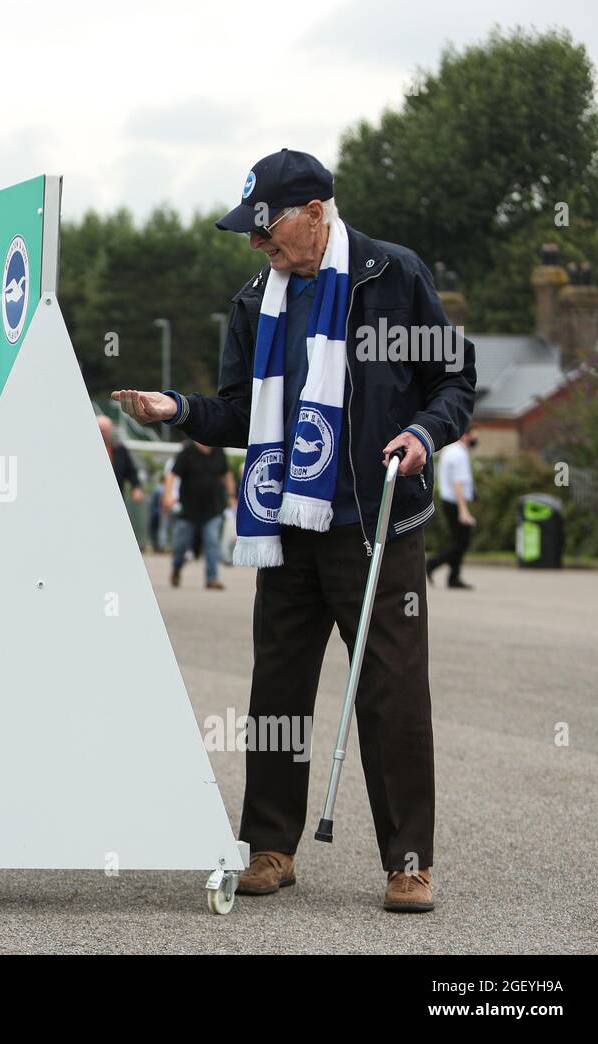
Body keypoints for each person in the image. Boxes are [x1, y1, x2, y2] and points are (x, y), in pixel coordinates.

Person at [113, 149, 476, 913]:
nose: (257, 246)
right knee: (277, 690)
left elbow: (453, 380)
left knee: (391, 695)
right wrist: (177, 408)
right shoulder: (256, 300)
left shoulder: (392, 275)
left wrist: (424, 432)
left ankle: (408, 861)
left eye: (266, 229)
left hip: (375, 520)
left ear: (315, 213)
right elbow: (243, 411)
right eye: (250, 234)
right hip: (285, 522)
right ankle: (270, 845)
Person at [165, 440, 235, 589]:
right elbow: (172, 475)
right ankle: (176, 568)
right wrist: (168, 495)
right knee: (181, 545)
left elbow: (226, 474)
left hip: (213, 509)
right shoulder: (187, 452)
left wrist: (231, 495)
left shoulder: (218, 452)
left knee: (212, 542)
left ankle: (212, 578)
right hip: (188, 509)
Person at [426, 426, 477, 589]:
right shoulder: (459, 454)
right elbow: (458, 483)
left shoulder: (450, 451)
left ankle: (453, 577)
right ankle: (433, 564)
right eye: (473, 436)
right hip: (456, 503)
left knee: (458, 541)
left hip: (449, 501)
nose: (475, 440)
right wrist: (464, 511)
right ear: (465, 436)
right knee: (462, 543)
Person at [98, 416, 144, 503]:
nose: (102, 433)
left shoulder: (119, 449)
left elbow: (131, 471)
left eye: (105, 430)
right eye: (100, 429)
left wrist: (136, 487)